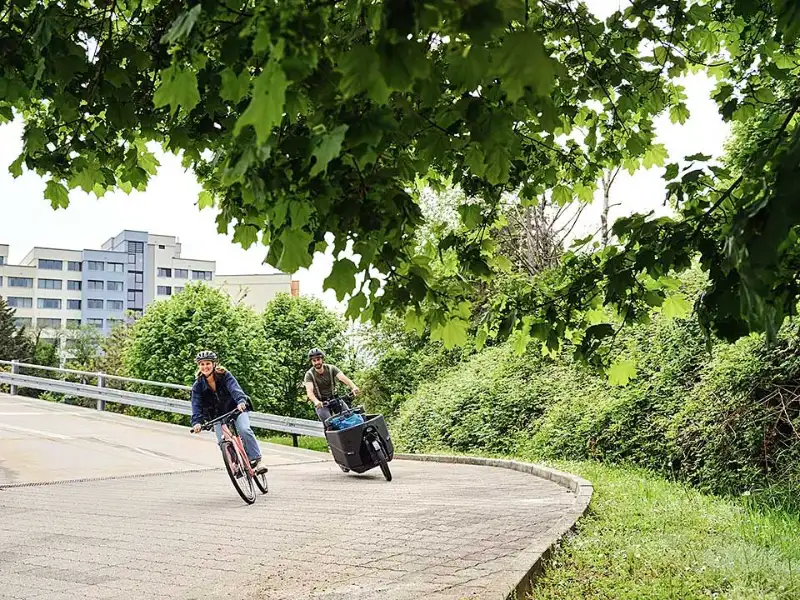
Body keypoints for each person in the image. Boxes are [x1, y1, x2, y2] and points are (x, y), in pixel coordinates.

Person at [190, 350, 267, 474]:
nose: (205, 367)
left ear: (214, 364)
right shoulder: (197, 386)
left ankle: (257, 460)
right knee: (222, 441)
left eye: (208, 363)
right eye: (202, 364)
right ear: (199, 366)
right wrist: (197, 422)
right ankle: (235, 464)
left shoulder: (225, 375)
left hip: (236, 409)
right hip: (217, 416)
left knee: (244, 430)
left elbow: (235, 389)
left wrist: (241, 402)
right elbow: (196, 405)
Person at [304, 348, 359, 424]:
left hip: (334, 398)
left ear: (322, 359)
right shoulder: (309, 374)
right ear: (311, 362)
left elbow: (343, 378)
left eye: (318, 359)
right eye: (314, 360)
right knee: (329, 423)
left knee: (348, 416)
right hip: (321, 403)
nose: (317, 362)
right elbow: (309, 392)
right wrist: (316, 401)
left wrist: (354, 387)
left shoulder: (331, 368)